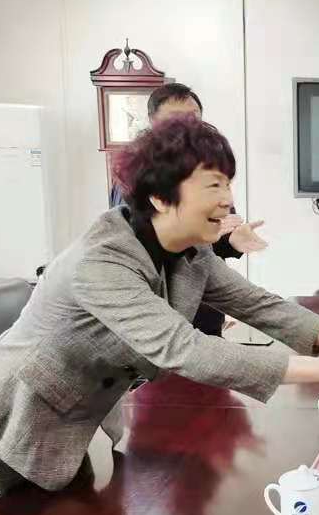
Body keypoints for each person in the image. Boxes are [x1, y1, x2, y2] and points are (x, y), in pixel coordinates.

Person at [0, 116, 319, 515]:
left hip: (69, 427)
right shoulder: (100, 261)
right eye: (213, 184)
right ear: (159, 196)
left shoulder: (192, 251)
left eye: (228, 183)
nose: (228, 199)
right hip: (2, 425)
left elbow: (257, 303)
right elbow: (183, 348)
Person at [110, 82, 266, 336]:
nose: (187, 128)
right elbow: (138, 241)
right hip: (157, 310)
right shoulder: (137, 175)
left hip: (205, 305)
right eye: (176, 120)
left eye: (193, 119)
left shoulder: (208, 166)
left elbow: (215, 232)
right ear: (153, 122)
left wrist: (232, 240)